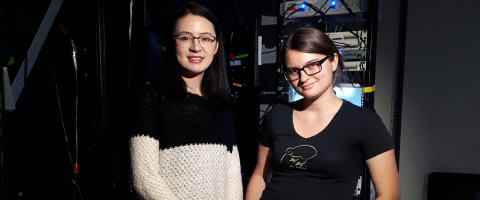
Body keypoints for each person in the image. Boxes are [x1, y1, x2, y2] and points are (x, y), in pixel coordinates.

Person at [245, 28, 400, 200]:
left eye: (312, 65)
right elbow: (260, 175)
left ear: (334, 61)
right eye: (294, 70)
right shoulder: (277, 115)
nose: (303, 78)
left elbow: (389, 194)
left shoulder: (364, 122)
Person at [129, 2, 243, 200]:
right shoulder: (152, 97)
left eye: (205, 39)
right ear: (171, 43)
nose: (196, 47)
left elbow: (232, 176)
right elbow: (144, 179)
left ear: (216, 46)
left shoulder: (221, 105)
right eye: (185, 38)